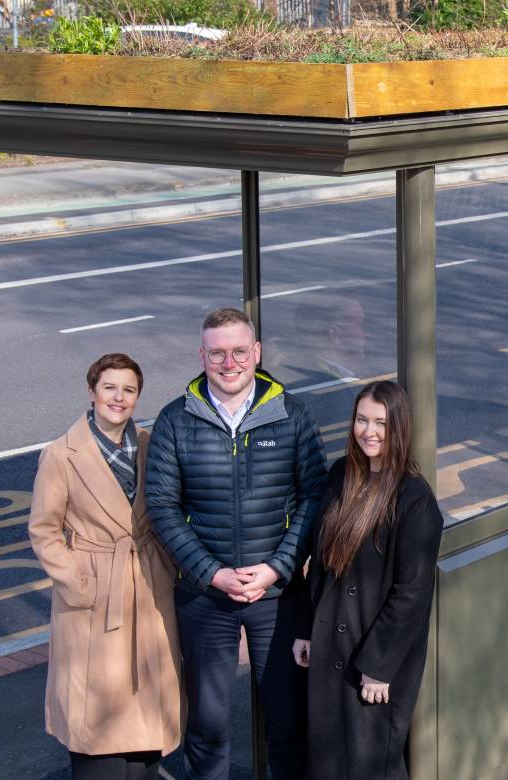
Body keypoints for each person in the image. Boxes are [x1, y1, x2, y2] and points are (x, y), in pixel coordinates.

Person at [145, 307, 327, 780]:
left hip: (277, 597)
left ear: (257, 353)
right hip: (205, 598)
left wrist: (276, 569)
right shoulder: (174, 420)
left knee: (287, 722)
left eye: (239, 351)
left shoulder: (291, 413)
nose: (230, 363)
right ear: (201, 355)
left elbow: (314, 498)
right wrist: (212, 573)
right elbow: (162, 507)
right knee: (206, 727)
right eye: (218, 353)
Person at [26, 353, 182, 780]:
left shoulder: (151, 445)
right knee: (96, 717)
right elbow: (43, 530)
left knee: (147, 710)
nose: (119, 397)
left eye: (129, 390)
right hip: (95, 590)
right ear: (92, 390)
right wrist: (78, 583)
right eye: (110, 387)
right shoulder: (62, 454)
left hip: (148, 581)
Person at [293, 380, 444, 780]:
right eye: (362, 419)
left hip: (371, 659)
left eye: (381, 422)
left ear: (400, 427)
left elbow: (411, 595)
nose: (369, 431)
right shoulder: (342, 474)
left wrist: (380, 665)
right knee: (327, 761)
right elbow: (321, 565)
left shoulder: (414, 499)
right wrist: (306, 630)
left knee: (371, 763)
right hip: (331, 647)